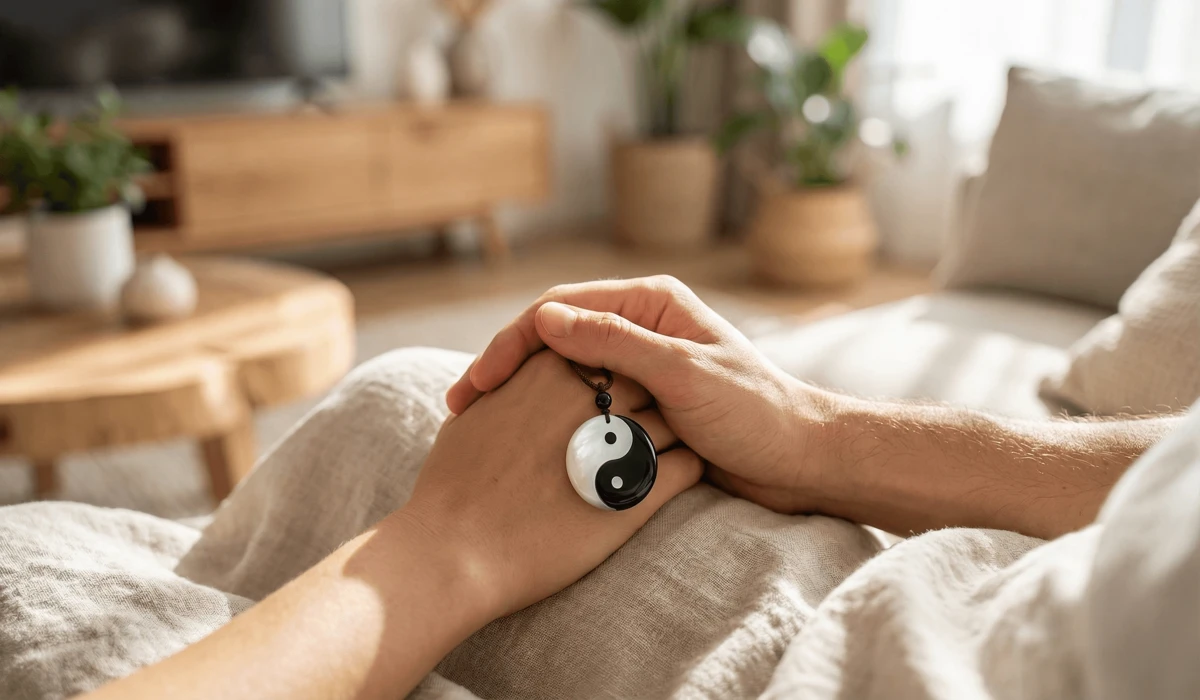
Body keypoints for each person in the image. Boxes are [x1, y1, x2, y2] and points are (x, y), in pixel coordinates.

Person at [79, 276, 1193, 700]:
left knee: (397, 406)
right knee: (403, 402)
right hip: (979, 581)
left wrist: (448, 544)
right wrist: (820, 432)